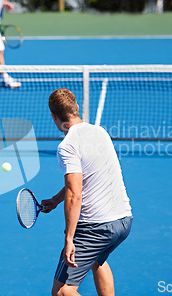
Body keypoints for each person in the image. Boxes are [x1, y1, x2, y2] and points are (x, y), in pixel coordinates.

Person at [41, 88, 133, 296]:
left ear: (53, 116)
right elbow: (86, 177)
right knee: (97, 261)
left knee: (62, 292)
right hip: (123, 221)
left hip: (96, 228)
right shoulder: (100, 132)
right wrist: (56, 199)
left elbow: (75, 193)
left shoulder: (67, 146)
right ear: (77, 108)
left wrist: (70, 238)